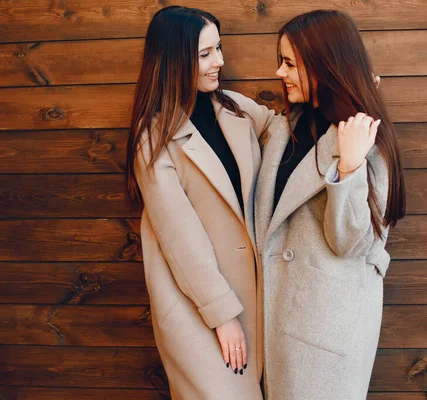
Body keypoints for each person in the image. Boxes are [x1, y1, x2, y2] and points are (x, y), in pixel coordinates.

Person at [254, 9, 406, 399]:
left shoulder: (366, 139)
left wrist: (351, 168)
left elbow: (352, 243)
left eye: (289, 63)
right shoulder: (288, 126)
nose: (279, 73)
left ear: (323, 67)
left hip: (325, 332)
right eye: (280, 61)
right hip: (279, 321)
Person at [125, 6, 275, 399]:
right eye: (205, 54)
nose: (219, 62)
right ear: (175, 60)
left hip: (256, 298)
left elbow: (285, 129)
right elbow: (180, 237)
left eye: (218, 49)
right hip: (199, 308)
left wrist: (346, 97)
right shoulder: (153, 138)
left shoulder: (236, 109)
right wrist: (221, 315)